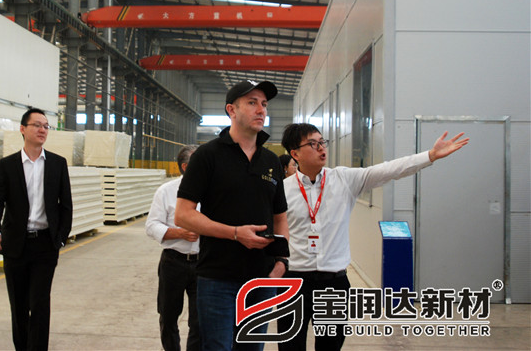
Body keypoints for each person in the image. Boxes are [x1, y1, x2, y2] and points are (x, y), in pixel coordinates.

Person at [277, 123, 469, 351]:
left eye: (322, 142)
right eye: (312, 144)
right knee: (290, 346)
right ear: (295, 153)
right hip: (293, 283)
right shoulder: (282, 189)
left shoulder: (344, 179)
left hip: (333, 284)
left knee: (330, 346)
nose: (321, 148)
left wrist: (430, 156)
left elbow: (389, 170)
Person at [175, 79, 289, 351]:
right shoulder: (207, 156)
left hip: (262, 279)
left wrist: (282, 262)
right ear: (231, 110)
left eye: (264, 104)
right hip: (218, 278)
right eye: (252, 102)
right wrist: (235, 234)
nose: (261, 110)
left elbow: (280, 217)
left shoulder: (271, 161)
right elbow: (183, 215)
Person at [0, 108, 73, 351]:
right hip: (16, 245)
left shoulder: (57, 164)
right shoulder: (7, 166)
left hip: (45, 245)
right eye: (37, 125)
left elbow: (65, 205)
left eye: (46, 126)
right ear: (23, 129)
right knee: (19, 306)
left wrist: (60, 238)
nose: (42, 130)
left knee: (40, 304)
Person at [145, 145, 201, 351]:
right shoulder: (166, 191)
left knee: (199, 321)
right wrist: (180, 233)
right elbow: (152, 226)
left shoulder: (212, 191)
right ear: (185, 167)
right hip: (173, 262)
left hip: (203, 263)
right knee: (168, 316)